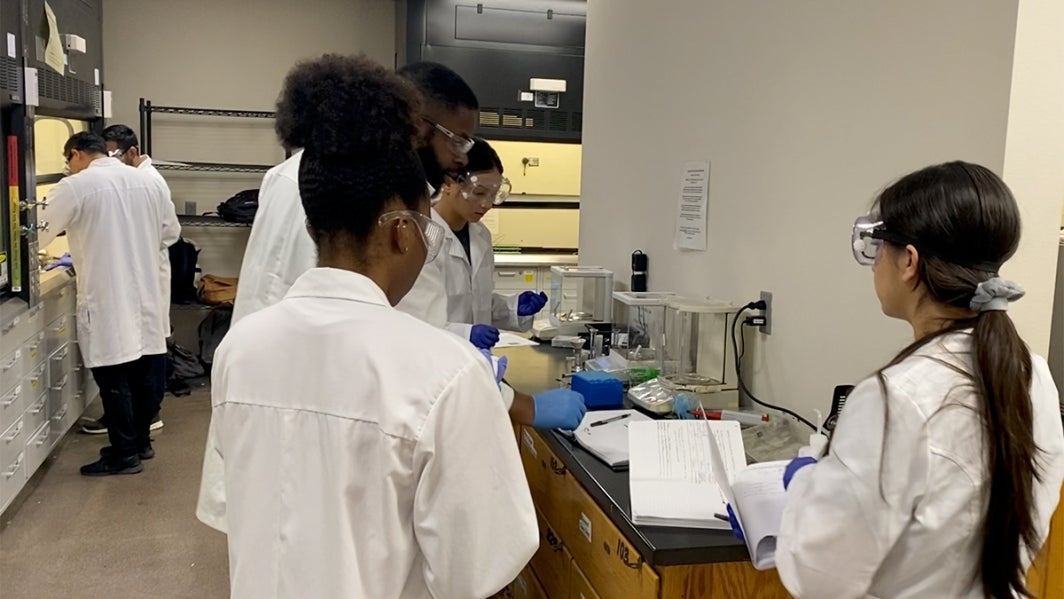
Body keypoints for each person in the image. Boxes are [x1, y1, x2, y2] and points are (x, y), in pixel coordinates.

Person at [196, 54, 537, 598]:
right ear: (405, 232)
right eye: (457, 139)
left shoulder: (237, 348)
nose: (460, 156)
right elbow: (476, 567)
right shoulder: (444, 374)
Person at [773, 162, 1064, 598]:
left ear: (908, 261)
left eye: (879, 250)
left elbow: (820, 575)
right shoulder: (1031, 373)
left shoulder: (896, 398)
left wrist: (805, 489)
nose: (875, 267)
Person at [37, 132, 179, 475]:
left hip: (106, 295)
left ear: (75, 155)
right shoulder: (146, 181)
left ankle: (123, 454)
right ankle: (141, 444)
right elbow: (169, 233)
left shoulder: (76, 185)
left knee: (113, 377)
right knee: (144, 372)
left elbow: (36, 232)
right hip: (144, 290)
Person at [77, 124, 171, 435]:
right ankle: (131, 421)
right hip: (135, 277)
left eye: (115, 154)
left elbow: (170, 232)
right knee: (137, 349)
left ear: (132, 152)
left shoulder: (148, 180)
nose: (110, 161)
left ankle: (147, 415)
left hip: (145, 276)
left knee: (148, 350)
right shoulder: (131, 179)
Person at [432, 138, 547, 345]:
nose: (486, 204)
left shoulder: (480, 234)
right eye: (479, 193)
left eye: (493, 195)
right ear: (449, 183)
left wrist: (512, 307)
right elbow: (412, 317)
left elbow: (476, 302)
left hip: (475, 361)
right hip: (437, 360)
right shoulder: (423, 236)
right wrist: (465, 334)